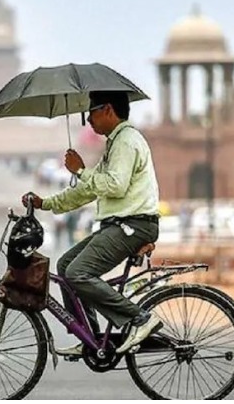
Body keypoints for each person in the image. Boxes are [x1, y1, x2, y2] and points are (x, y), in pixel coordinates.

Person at [21, 90, 162, 356]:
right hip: (120, 225)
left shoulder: (127, 141)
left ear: (108, 109)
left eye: (91, 113)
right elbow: (88, 190)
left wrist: (81, 171)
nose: (88, 121)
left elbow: (115, 186)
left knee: (78, 273)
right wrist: (46, 203)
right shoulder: (115, 143)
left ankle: (140, 318)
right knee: (65, 266)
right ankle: (90, 336)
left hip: (133, 225)